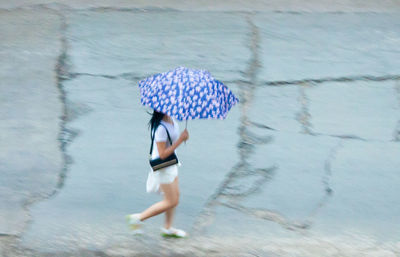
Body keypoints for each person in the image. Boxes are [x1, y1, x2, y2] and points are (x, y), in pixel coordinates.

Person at [126, 110, 189, 238]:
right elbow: (162, 154)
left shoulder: (171, 119)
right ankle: (138, 218)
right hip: (163, 167)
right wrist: (181, 140)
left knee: (175, 197)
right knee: (171, 201)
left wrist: (181, 139)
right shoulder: (160, 128)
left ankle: (167, 228)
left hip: (172, 163)